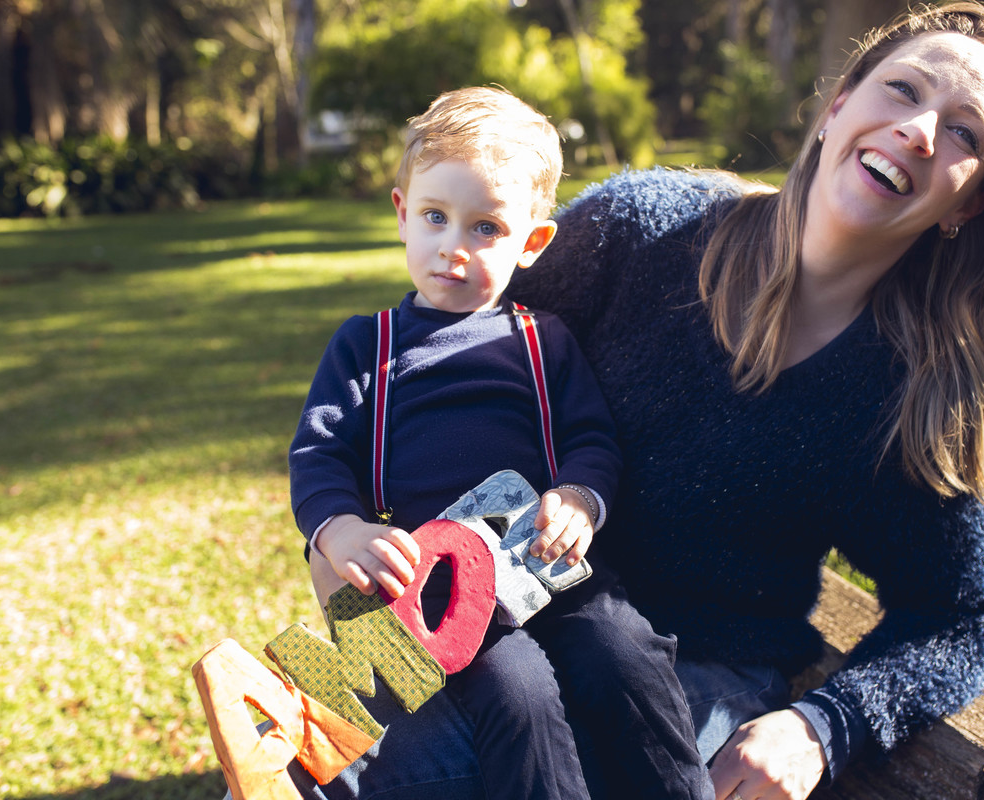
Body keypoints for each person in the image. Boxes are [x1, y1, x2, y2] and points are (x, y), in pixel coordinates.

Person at [280, 3, 984, 799]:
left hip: (690, 669)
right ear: (836, 107)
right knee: (296, 772)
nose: (920, 130)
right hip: (489, 616)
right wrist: (333, 532)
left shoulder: (917, 393)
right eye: (902, 89)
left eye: (964, 132)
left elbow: (975, 613)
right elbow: (445, 344)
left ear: (971, 202)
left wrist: (824, 725)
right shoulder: (639, 228)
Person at [287, 86, 712, 800]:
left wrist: (579, 498)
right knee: (519, 694)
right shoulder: (368, 345)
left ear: (532, 243)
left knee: (626, 655)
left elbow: (591, 439)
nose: (452, 247)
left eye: (485, 228)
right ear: (401, 214)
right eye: (434, 217)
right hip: (441, 596)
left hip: (548, 564)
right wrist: (342, 530)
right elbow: (319, 453)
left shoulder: (543, 342)